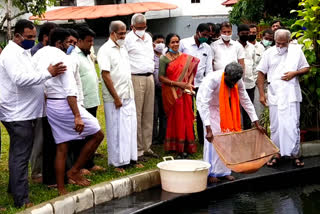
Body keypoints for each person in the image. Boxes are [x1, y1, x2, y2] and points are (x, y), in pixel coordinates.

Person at [0, 19, 66, 207]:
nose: (32, 40)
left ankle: (15, 189)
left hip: (24, 112)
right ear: (17, 35)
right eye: (28, 37)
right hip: (18, 113)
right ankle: (21, 200)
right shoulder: (12, 54)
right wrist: (48, 73)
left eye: (33, 36)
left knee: (18, 153)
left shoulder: (23, 52)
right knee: (21, 155)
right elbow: (20, 79)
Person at [33, 28, 104, 195]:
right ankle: (74, 171)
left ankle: (61, 188)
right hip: (65, 104)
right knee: (97, 134)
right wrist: (77, 116)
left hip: (50, 105)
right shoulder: (62, 58)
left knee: (62, 146)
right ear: (59, 43)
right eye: (68, 43)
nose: (71, 46)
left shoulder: (39, 55)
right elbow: (70, 90)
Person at [197, 62, 263, 183]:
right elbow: (203, 104)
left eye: (235, 81)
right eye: (231, 81)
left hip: (224, 107)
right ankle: (211, 173)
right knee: (214, 139)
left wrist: (256, 121)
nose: (233, 84)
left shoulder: (237, 80)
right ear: (225, 74)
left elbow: (245, 100)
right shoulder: (212, 80)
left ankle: (224, 172)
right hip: (208, 108)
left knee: (228, 137)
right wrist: (208, 128)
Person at [257, 29, 310, 167]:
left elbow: (306, 68)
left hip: (291, 94)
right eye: (277, 43)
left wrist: (295, 73)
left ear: (289, 41)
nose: (280, 46)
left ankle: (295, 155)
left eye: (283, 43)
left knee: (293, 125)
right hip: (275, 93)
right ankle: (276, 154)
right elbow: (261, 73)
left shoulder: (296, 51)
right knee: (276, 126)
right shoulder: (268, 53)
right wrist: (262, 94)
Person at [97, 21, 142, 172]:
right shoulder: (105, 50)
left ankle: (130, 159)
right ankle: (117, 163)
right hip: (115, 97)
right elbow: (105, 74)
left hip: (128, 94)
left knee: (129, 128)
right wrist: (116, 97)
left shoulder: (123, 48)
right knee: (116, 130)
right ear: (112, 33)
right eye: (121, 33)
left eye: (125, 33)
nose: (124, 36)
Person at [160, 33, 200, 158]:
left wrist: (187, 84)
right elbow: (161, 77)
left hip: (185, 92)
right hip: (172, 93)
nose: (175, 44)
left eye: (177, 42)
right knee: (176, 119)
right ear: (168, 44)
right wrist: (177, 84)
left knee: (187, 117)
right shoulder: (164, 59)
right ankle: (178, 148)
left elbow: (192, 72)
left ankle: (188, 146)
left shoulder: (186, 57)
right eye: (172, 42)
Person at [71, 25, 103, 173]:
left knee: (91, 134)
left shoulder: (87, 54)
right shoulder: (74, 56)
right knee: (82, 137)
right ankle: (80, 166)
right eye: (89, 41)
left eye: (92, 41)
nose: (91, 44)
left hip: (92, 100)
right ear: (79, 41)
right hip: (82, 103)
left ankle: (89, 163)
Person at [125, 13, 157, 161]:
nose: (141, 30)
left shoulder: (149, 37)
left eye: (143, 27)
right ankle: (137, 150)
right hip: (135, 77)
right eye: (138, 28)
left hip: (149, 77)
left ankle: (147, 146)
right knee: (137, 114)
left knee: (148, 113)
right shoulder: (127, 39)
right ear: (132, 27)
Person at [29, 21, 58, 184]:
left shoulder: (51, 51)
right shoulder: (36, 53)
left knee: (48, 136)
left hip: (51, 101)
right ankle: (36, 171)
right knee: (39, 136)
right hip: (39, 100)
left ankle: (46, 168)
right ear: (46, 36)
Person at [179, 23, 213, 145]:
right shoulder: (184, 43)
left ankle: (202, 138)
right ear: (197, 32)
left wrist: (208, 84)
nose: (206, 37)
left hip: (201, 83)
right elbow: (177, 61)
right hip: (186, 83)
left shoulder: (207, 48)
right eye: (204, 35)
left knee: (202, 110)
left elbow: (209, 68)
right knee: (188, 111)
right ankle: (190, 138)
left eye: (208, 36)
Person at [237, 24, 256, 130]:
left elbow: (254, 65)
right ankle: (237, 129)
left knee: (248, 107)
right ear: (238, 34)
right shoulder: (234, 46)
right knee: (236, 107)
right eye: (243, 33)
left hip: (250, 83)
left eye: (247, 33)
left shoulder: (252, 47)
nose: (245, 35)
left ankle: (248, 129)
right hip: (237, 83)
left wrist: (255, 78)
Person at [152, 34, 166, 144]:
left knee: (164, 113)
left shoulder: (166, 56)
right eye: (158, 42)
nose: (160, 44)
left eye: (162, 41)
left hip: (164, 89)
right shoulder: (149, 56)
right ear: (153, 43)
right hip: (153, 89)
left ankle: (162, 136)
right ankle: (154, 137)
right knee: (154, 113)